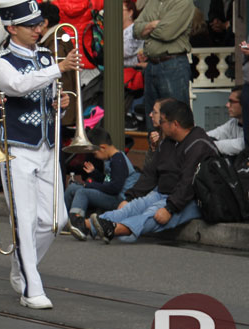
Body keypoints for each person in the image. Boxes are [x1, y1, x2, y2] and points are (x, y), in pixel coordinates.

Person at [0, 0, 80, 310]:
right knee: (24, 221)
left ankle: (22, 266)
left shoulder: (43, 56)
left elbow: (47, 91)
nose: (38, 28)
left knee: (55, 221)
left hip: (46, 146)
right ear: (11, 28)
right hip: (15, 149)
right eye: (30, 25)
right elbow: (19, 86)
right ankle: (31, 286)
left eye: (39, 22)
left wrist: (61, 103)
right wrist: (57, 69)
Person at [91, 99, 212, 243]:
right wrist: (130, 198)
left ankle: (114, 229)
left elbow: (188, 183)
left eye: (162, 121)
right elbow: (150, 174)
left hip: (189, 200)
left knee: (153, 213)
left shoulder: (199, 145)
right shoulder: (168, 142)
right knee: (131, 207)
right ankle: (87, 225)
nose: (159, 124)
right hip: (163, 193)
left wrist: (170, 208)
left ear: (175, 124)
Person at [132, 0, 195, 128]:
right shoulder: (153, 1)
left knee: (176, 121)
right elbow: (136, 30)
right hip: (152, 66)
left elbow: (167, 32)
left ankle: (179, 155)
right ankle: (156, 155)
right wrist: (153, 24)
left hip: (173, 65)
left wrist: (149, 28)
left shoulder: (183, 0)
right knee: (153, 121)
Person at [64, 127, 138, 242]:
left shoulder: (118, 160)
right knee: (73, 187)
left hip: (119, 199)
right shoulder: (111, 159)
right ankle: (64, 220)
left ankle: (78, 224)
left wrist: (91, 185)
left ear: (102, 147)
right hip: (111, 194)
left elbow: (115, 187)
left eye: (95, 152)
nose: (94, 156)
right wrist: (95, 173)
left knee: (83, 192)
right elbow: (108, 180)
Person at [35, 0, 103, 72]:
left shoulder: (55, 6)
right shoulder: (90, 4)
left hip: (64, 61)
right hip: (86, 62)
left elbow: (34, 1)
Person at [206, 89, 244, 156]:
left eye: (232, 102)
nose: (227, 105)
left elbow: (242, 144)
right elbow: (218, 133)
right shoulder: (234, 122)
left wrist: (206, 145)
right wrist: (198, 139)